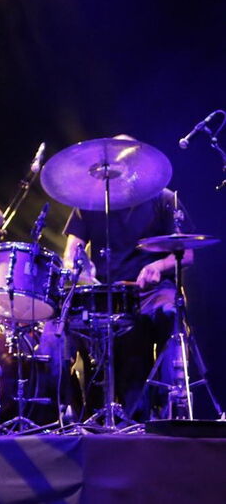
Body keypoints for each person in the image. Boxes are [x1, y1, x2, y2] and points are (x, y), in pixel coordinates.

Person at [59, 138, 193, 421]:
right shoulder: (90, 202)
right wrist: (77, 265)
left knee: (170, 312)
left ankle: (173, 402)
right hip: (106, 293)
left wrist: (160, 265)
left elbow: (188, 254)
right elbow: (71, 250)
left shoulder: (164, 198)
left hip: (151, 291)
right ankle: (72, 412)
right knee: (57, 333)